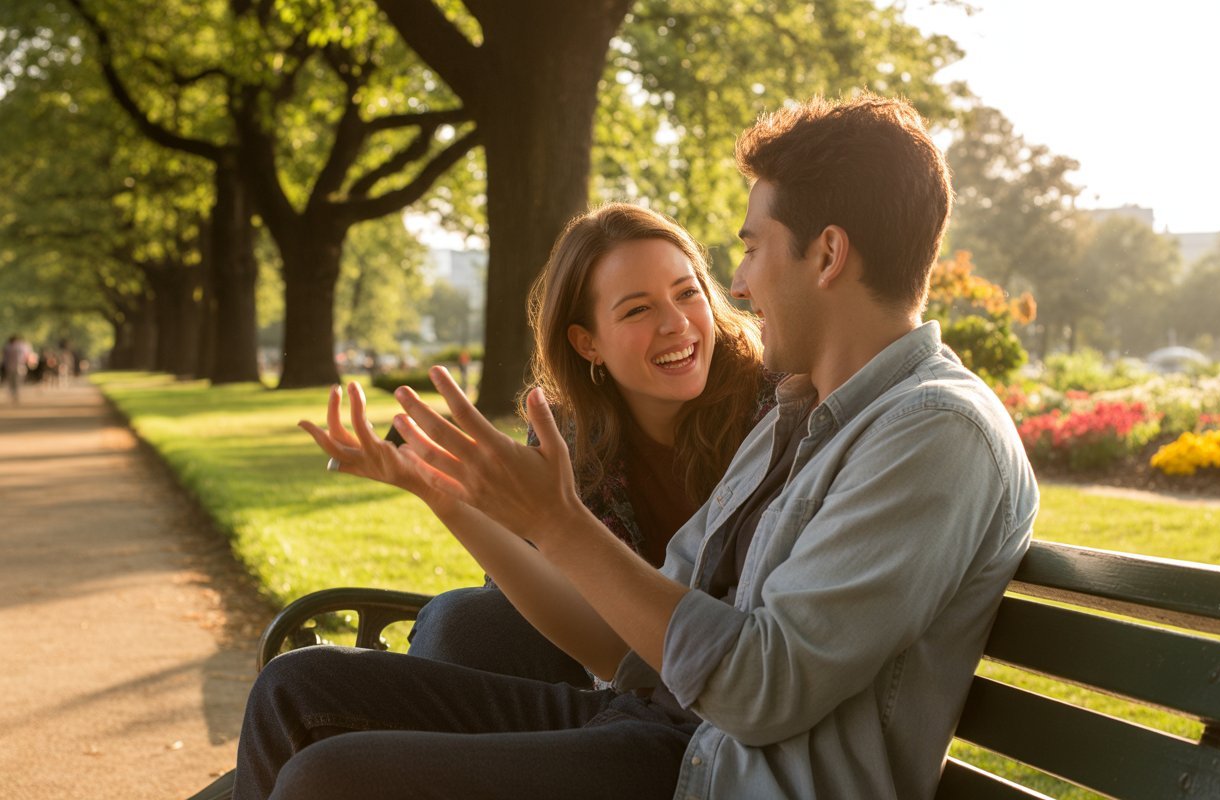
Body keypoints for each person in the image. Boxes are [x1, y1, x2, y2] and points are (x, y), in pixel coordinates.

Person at [231, 93, 1038, 800]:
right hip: (658, 732)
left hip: (719, 777)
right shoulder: (798, 416)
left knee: (330, 783)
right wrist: (465, 498)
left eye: (753, 248)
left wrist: (558, 524)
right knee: (296, 690)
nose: (742, 287)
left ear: (827, 255)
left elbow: (764, 691)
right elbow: (626, 651)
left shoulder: (934, 431)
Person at [396, 203, 773, 686]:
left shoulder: (774, 401)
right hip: (600, 674)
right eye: (638, 309)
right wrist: (450, 499)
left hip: (726, 677)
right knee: (462, 621)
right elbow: (518, 605)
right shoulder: (565, 433)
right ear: (586, 343)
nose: (676, 323)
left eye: (687, 293)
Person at [3, 335, 33, 404]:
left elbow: (5, 358)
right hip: (19, 366)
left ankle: (13, 393)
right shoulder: (20, 347)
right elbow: (26, 356)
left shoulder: (7, 347)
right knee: (17, 381)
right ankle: (15, 394)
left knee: (11, 382)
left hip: (9, 367)